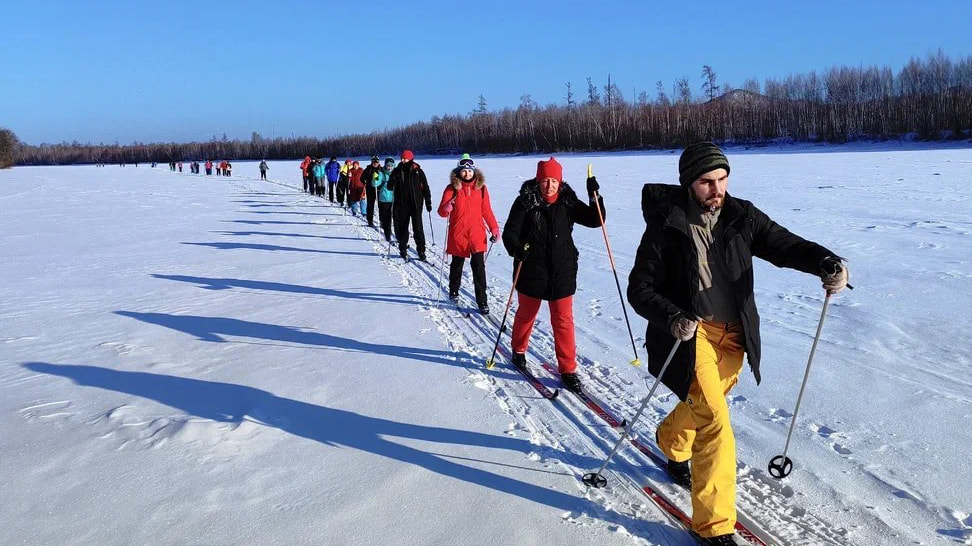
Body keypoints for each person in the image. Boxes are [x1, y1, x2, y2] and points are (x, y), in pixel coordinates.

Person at [626, 142, 849, 545]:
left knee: (706, 405)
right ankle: (714, 527)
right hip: (693, 337)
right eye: (707, 182)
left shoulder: (741, 215)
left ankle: (671, 440)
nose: (717, 189)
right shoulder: (666, 224)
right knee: (714, 420)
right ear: (688, 183)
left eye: (723, 179)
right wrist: (673, 317)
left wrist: (826, 262)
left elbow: (786, 245)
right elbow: (639, 289)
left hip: (734, 336)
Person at [502, 157, 604, 393]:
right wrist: (517, 249)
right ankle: (518, 351)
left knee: (563, 321)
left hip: (562, 270)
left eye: (554, 180)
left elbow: (595, 219)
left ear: (560, 181)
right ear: (538, 181)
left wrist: (594, 196)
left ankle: (568, 370)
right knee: (526, 314)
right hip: (531, 269)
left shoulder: (568, 202)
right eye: (545, 180)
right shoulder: (525, 202)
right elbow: (511, 232)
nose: (549, 185)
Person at [437, 154, 500, 314]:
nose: (467, 174)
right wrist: (446, 207)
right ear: (459, 172)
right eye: (464, 171)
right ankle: (453, 290)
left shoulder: (482, 189)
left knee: (479, 267)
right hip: (458, 234)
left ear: (474, 171)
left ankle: (482, 300)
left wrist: (494, 228)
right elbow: (441, 211)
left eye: (470, 171)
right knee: (457, 265)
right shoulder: (452, 188)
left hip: (477, 234)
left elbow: (486, 210)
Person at [387, 150, 432, 261]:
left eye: (405, 159)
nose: (403, 160)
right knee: (403, 227)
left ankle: (421, 250)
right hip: (402, 204)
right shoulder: (397, 171)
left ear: (411, 159)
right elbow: (389, 187)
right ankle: (403, 248)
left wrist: (428, 202)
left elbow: (425, 187)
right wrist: (392, 181)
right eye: (402, 158)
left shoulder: (418, 171)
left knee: (418, 227)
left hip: (416, 204)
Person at [374, 158, 396, 242]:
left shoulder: (396, 173)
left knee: (396, 218)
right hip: (385, 199)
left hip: (395, 199)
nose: (389, 167)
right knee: (387, 218)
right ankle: (387, 234)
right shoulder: (381, 173)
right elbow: (375, 183)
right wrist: (375, 179)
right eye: (388, 165)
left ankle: (398, 235)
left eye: (391, 166)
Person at [359, 155, 383, 227]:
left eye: (377, 162)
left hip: (379, 190)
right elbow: (362, 178)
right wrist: (365, 181)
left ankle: (382, 221)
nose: (375, 163)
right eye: (374, 162)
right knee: (370, 205)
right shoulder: (368, 169)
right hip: (370, 190)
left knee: (381, 206)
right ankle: (370, 220)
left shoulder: (381, 169)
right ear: (372, 162)